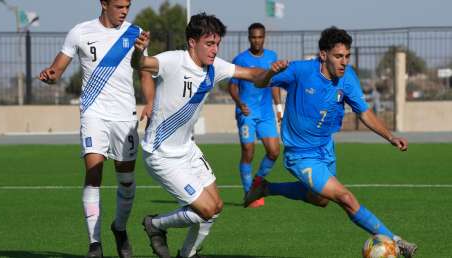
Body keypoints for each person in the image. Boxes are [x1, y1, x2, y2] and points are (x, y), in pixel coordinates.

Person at [244, 26, 417, 258]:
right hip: (300, 154)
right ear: (323, 55)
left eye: (347, 56)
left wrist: (390, 136)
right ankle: (396, 242)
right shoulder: (300, 71)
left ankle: (266, 187)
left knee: (320, 200)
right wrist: (269, 73)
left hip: (325, 149)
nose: (344, 62)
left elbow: (364, 113)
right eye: (338, 56)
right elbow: (259, 83)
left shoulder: (348, 78)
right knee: (345, 198)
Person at [131, 13, 287, 258]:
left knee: (216, 207)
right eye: (209, 44)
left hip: (188, 150)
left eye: (217, 44)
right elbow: (141, 64)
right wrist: (139, 52)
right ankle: (155, 225)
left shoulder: (216, 67)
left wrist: (269, 73)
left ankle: (187, 254)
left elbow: (253, 75)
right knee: (206, 209)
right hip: (161, 154)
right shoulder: (173, 61)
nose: (215, 50)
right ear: (192, 42)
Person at [39, 1, 154, 257]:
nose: (124, 11)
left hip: (125, 117)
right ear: (103, 4)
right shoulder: (80, 32)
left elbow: (144, 71)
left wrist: (150, 101)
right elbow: (58, 68)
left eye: (128, 6)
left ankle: (120, 228)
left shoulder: (136, 33)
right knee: (94, 172)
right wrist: (51, 75)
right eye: (119, 5)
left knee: (126, 180)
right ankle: (94, 243)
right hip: (93, 113)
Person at [228, 22, 282, 208]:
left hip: (266, 113)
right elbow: (232, 86)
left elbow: (274, 85)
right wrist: (239, 103)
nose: (257, 40)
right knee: (248, 151)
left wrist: (279, 109)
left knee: (274, 152)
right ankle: (248, 193)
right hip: (247, 113)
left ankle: (256, 184)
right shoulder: (240, 59)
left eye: (260, 37)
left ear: (264, 37)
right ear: (249, 38)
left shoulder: (272, 57)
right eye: (253, 37)